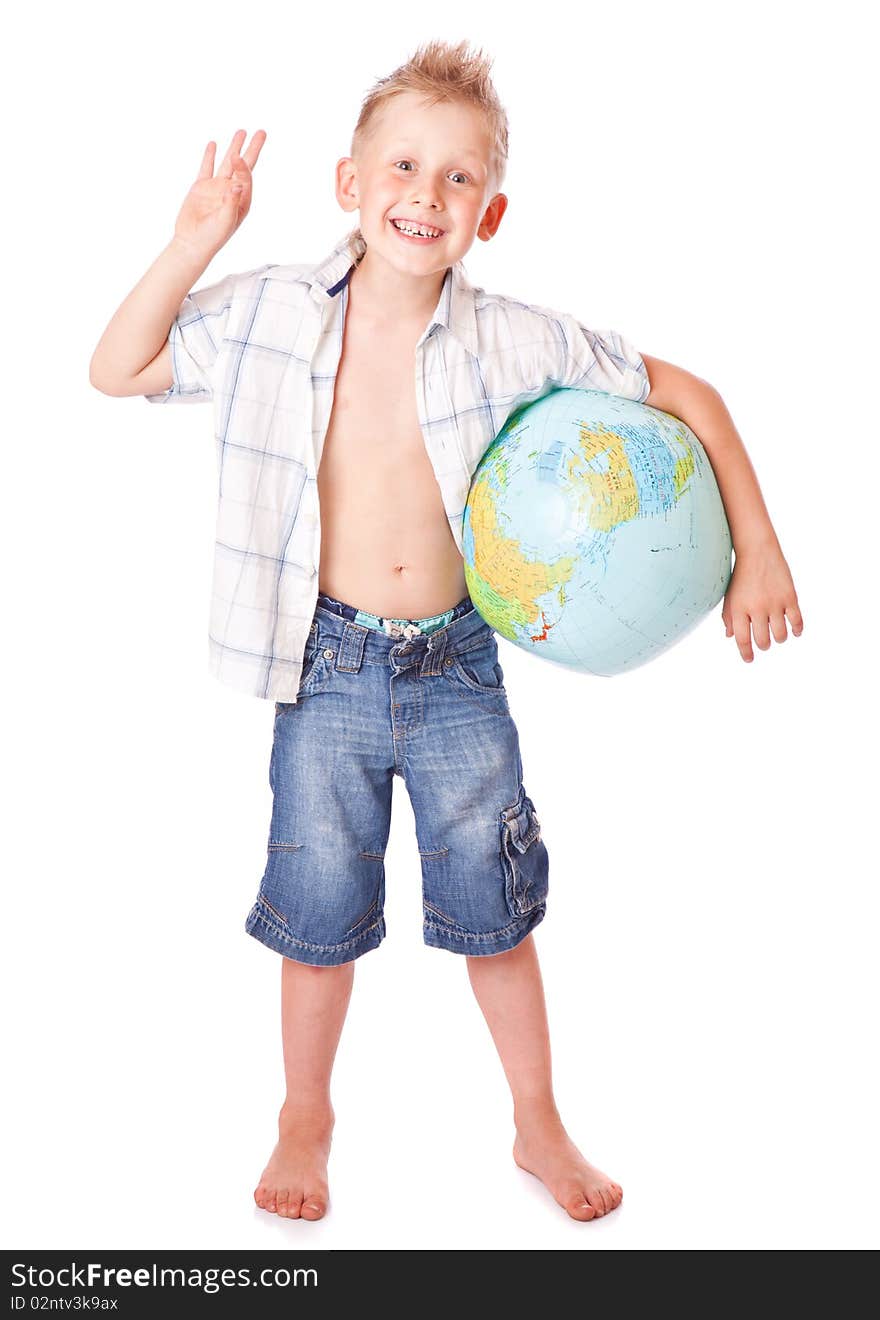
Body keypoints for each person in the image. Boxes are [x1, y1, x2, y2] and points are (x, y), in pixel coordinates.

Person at [89, 39, 803, 1223]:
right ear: (349, 184)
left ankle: (536, 1121)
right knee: (317, 911)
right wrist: (195, 240)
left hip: (456, 665)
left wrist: (759, 547)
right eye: (404, 166)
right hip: (322, 664)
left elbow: (689, 395)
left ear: (492, 210)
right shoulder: (269, 310)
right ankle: (304, 1115)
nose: (426, 194)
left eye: (458, 178)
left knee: (494, 904)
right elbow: (118, 369)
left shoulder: (511, 338)